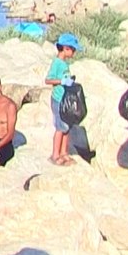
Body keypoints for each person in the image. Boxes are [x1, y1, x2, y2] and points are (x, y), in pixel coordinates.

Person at [46, 33, 80, 166]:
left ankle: (64, 152)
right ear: (65, 48)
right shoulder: (57, 63)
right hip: (58, 99)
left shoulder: (64, 64)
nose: (74, 52)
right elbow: (48, 80)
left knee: (67, 127)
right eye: (73, 49)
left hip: (65, 99)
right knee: (60, 127)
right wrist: (62, 81)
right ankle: (55, 154)